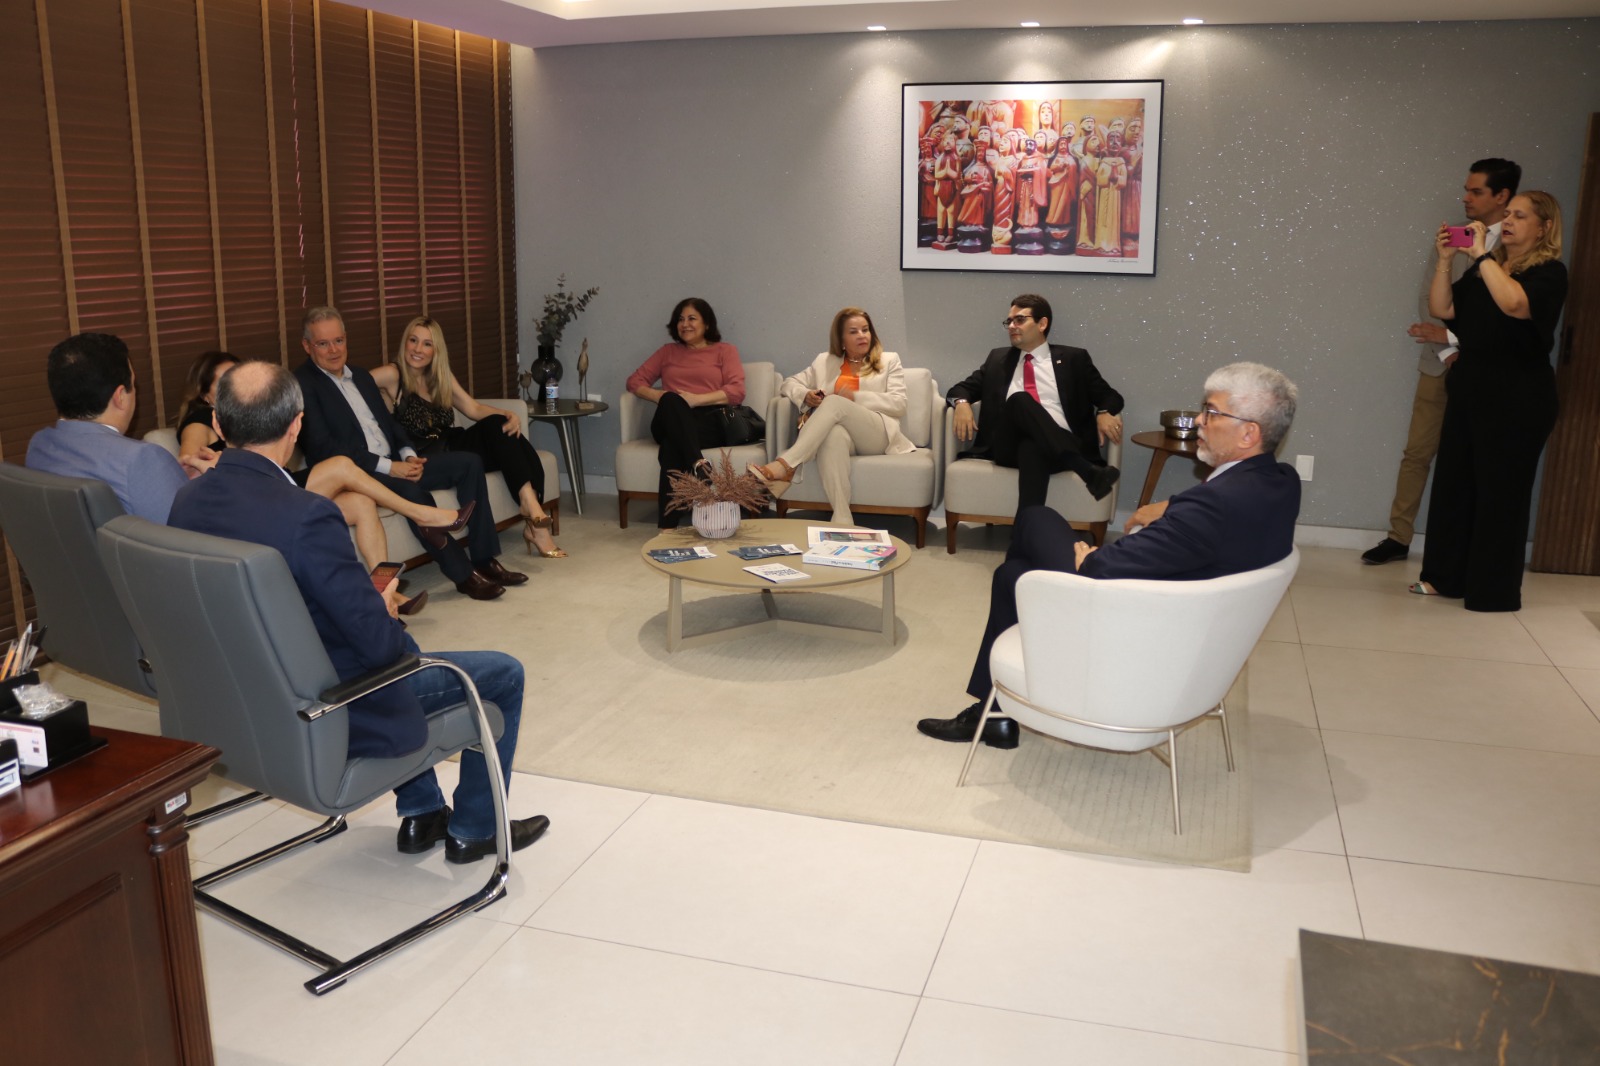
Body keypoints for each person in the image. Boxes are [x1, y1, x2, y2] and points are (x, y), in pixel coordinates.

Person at [168, 361, 550, 863]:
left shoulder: (186, 503)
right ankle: (477, 829)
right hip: (330, 702)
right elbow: (378, 646)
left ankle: (422, 811)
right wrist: (382, 608)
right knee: (502, 674)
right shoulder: (307, 516)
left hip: (240, 701)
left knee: (396, 639)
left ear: (219, 425)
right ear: (296, 425)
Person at [920, 362, 1301, 748]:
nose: (1200, 420)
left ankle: (994, 713)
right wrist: (1171, 505)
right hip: (1179, 623)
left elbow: (1102, 566)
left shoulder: (1209, 510)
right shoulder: (1282, 482)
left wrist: (1091, 556)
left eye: (1213, 412)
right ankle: (996, 713)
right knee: (1012, 575)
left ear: (1249, 433)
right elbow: (1208, 518)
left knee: (1034, 519)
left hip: (1128, 624)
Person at [177, 351, 465, 606]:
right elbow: (188, 463)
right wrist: (216, 461)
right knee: (341, 465)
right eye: (223, 380)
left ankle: (385, 590)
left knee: (362, 504)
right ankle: (422, 514)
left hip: (278, 487)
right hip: (264, 497)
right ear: (206, 394)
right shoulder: (200, 421)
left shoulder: (244, 415)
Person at [294, 306, 523, 602]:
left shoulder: (360, 376)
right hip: (359, 473)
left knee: (469, 463)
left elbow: (390, 424)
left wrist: (407, 455)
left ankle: (484, 558)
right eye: (323, 344)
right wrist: (390, 467)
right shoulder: (302, 384)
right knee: (413, 493)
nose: (334, 350)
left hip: (396, 463)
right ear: (307, 346)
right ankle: (464, 575)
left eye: (338, 340)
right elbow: (323, 447)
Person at [1413, 191, 1567, 612]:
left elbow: (1514, 304)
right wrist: (1447, 259)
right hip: (1470, 390)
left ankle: (1492, 592)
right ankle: (1445, 578)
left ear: (1544, 227)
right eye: (1508, 214)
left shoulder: (1549, 273)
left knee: (1501, 494)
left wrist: (1482, 256)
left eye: (1520, 215)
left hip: (1518, 399)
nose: (1509, 220)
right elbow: (1442, 307)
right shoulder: (1488, 267)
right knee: (1455, 485)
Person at [1363, 158, 1520, 566]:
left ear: (1502, 196)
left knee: (1477, 458)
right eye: (1466, 189)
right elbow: (1427, 298)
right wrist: (1449, 352)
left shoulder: (1518, 246)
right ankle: (1398, 537)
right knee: (1417, 452)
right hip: (1439, 365)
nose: (1466, 197)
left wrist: (1453, 338)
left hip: (1489, 371)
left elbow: (1508, 314)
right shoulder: (1452, 237)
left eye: (1476, 191)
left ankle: (1467, 545)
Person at [371, 317, 565, 558]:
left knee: (504, 429)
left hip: (453, 443)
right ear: (405, 343)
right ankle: (534, 519)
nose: (418, 349)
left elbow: (473, 408)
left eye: (427, 344)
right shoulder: (393, 374)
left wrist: (507, 414)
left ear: (436, 350)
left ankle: (530, 504)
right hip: (424, 456)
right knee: (509, 441)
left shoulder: (439, 376)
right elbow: (352, 384)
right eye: (413, 340)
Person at [946, 293, 1123, 516]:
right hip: (1006, 446)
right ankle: (1087, 470)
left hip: (1061, 441)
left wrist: (1105, 411)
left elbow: (1110, 396)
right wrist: (962, 403)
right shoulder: (998, 360)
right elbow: (959, 389)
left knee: (1032, 446)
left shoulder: (1074, 359)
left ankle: (1025, 529)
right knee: (1019, 399)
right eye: (1009, 321)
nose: (1012, 326)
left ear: (1042, 324)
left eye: (1020, 319)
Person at [748, 308, 915, 527]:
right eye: (854, 332)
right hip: (846, 437)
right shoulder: (823, 361)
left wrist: (855, 397)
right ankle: (842, 519)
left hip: (878, 433)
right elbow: (789, 383)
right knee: (833, 435)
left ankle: (786, 464)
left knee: (834, 401)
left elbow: (899, 403)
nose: (862, 335)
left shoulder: (889, 360)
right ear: (841, 340)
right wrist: (805, 395)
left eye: (865, 330)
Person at [27, 332, 205, 523]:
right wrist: (217, 480)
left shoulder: (39, 446)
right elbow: (195, 530)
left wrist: (168, 478)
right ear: (120, 396)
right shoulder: (141, 459)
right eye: (133, 384)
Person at [624, 298, 747, 530]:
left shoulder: (725, 351)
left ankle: (667, 528)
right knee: (672, 401)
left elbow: (737, 391)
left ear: (707, 324)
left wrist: (696, 399)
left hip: (708, 421)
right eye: (680, 319)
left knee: (672, 445)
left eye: (692, 318)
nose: (685, 324)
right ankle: (698, 462)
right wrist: (661, 396)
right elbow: (634, 381)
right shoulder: (667, 352)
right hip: (668, 417)